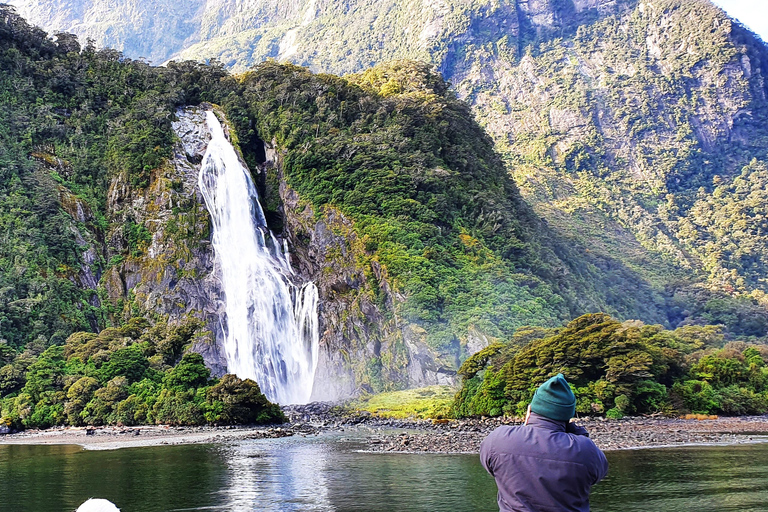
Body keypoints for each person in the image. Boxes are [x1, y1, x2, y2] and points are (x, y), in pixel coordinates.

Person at [480, 373, 608, 512]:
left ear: (529, 410)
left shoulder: (499, 439)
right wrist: (581, 436)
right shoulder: (585, 450)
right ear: (568, 418)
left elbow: (491, 468)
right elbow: (597, 474)